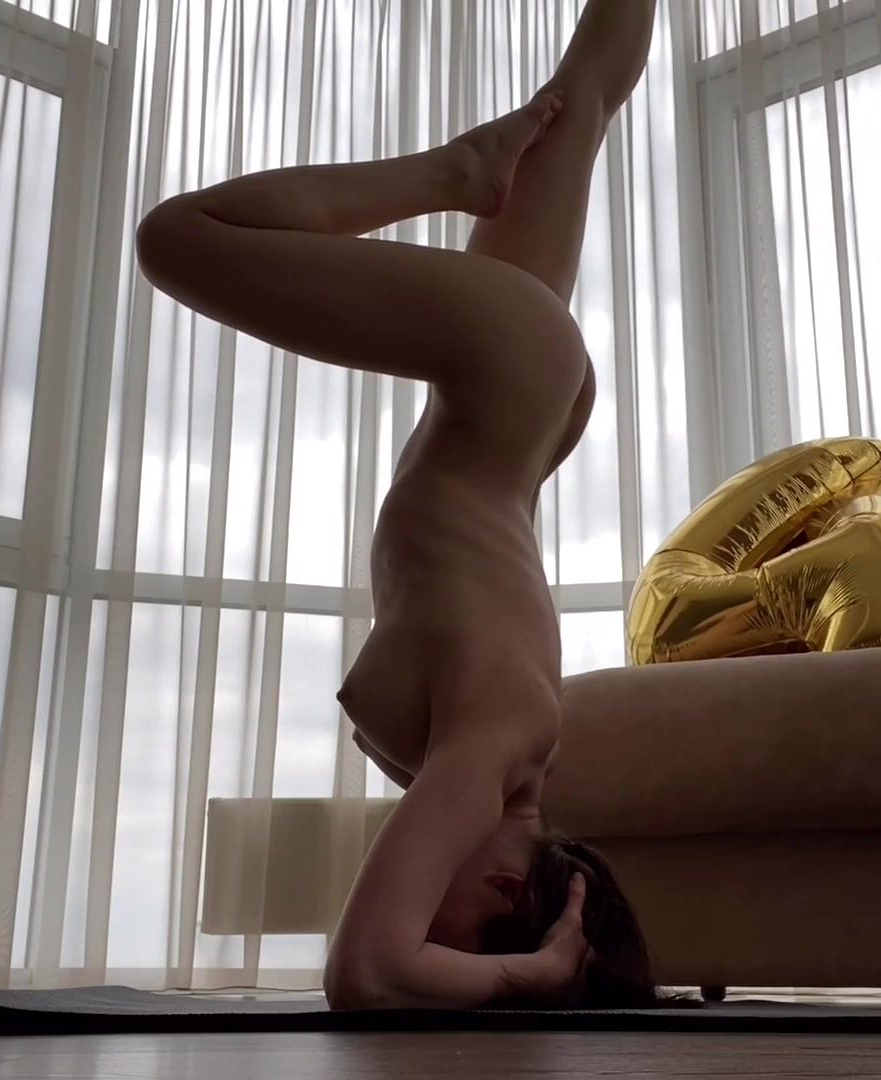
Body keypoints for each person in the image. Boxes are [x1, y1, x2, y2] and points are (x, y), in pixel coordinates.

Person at [135, 1, 658, 1010]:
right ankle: (450, 172)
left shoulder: (511, 743)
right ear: (506, 890)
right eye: (446, 930)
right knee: (177, 238)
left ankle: (477, 166)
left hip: (517, 415)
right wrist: (534, 973)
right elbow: (369, 973)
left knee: (584, 98)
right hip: (505, 378)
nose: (422, 916)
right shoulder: (492, 752)